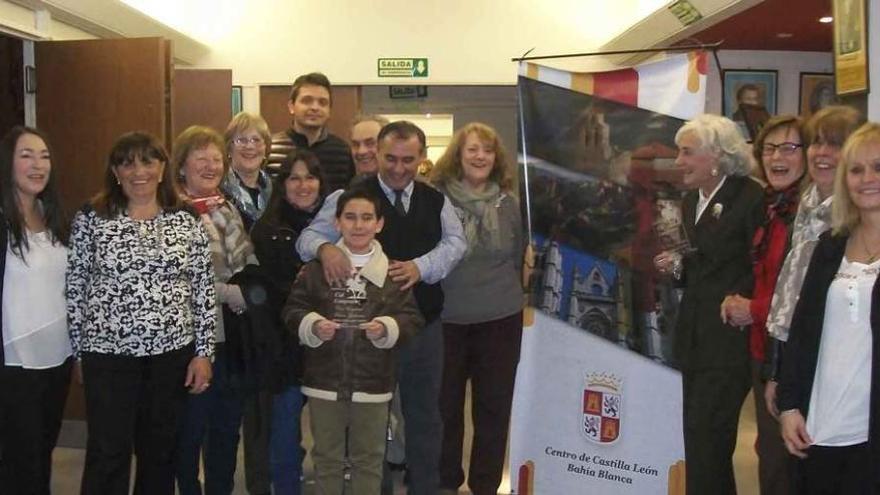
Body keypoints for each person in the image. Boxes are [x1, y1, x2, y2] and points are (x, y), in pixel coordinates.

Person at [297, 120, 466, 495]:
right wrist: (325, 249)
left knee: (425, 417)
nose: (399, 167)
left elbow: (457, 244)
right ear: (377, 154)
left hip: (424, 325)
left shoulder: (436, 200)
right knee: (371, 423)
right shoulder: (351, 195)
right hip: (364, 331)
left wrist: (421, 268)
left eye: (408, 159)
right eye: (390, 158)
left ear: (422, 158)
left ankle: (424, 488)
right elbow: (307, 238)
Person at [67, 131, 214, 495]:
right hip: (108, 357)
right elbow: (75, 288)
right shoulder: (92, 216)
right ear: (115, 171)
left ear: (163, 167)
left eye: (148, 161)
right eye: (127, 162)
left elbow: (203, 288)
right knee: (107, 452)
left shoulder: (185, 219)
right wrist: (78, 353)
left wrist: (204, 352)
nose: (139, 171)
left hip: (170, 357)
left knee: (160, 454)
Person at [285, 187, 423, 495]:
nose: (358, 225)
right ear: (337, 223)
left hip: (373, 383)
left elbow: (412, 319)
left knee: (369, 459)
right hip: (323, 380)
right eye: (350, 217)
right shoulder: (315, 271)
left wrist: (388, 328)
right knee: (328, 458)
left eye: (366, 218)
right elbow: (292, 311)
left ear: (379, 224)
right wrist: (312, 325)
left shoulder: (394, 273)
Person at [653, 114, 764, 494]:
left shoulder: (752, 198)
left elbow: (763, 266)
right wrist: (676, 266)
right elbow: (699, 264)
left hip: (728, 344)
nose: (678, 160)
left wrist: (747, 299)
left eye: (687, 152)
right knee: (697, 442)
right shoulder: (689, 202)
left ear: (716, 155)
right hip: (694, 340)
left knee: (709, 441)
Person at [777, 122, 880, 494]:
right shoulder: (829, 247)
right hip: (819, 426)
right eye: (856, 169)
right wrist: (789, 407)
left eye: (878, 167)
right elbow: (801, 331)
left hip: (869, 434)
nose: (867, 178)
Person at [430, 123, 524, 495]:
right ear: (458, 154)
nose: (480, 156)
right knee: (445, 409)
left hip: (500, 319)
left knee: (493, 410)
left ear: (496, 158)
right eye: (472, 149)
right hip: (447, 320)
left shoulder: (510, 204)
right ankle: (446, 482)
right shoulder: (435, 200)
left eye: (487, 150)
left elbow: (517, 257)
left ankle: (485, 484)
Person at [720, 115, 808, 495]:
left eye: (789, 147)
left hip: (788, 356)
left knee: (783, 465)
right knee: (768, 454)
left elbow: (802, 296)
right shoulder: (773, 207)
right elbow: (765, 276)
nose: (777, 157)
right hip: (762, 348)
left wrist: (752, 309)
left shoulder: (807, 217)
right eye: (769, 148)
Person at [173, 126, 259, 495]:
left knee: (226, 426)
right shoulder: (170, 212)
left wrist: (247, 289)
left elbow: (249, 264)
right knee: (191, 428)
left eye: (215, 158)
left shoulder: (227, 208)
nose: (210, 165)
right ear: (181, 166)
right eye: (200, 157)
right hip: (190, 338)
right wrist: (226, 292)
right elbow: (174, 280)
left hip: (233, 336)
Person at [765, 106, 863, 424]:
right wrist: (777, 373)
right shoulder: (805, 206)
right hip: (797, 355)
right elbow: (789, 297)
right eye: (817, 142)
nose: (822, 152)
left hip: (836, 363)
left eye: (834, 144)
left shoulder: (857, 219)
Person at [249, 149, 327, 495]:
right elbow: (268, 289)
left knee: (331, 433)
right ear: (283, 184)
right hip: (285, 345)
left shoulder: (337, 222)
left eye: (310, 177)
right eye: (294, 177)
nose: (303, 185)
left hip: (329, 345)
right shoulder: (267, 227)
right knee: (284, 431)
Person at [0, 126, 72, 494]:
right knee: (19, 460)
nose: (37, 164)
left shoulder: (55, 216)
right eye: (26, 155)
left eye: (44, 156)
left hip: (58, 356)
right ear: (8, 163)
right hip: (16, 361)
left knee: (43, 452)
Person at [268, 72, 355, 192]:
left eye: (322, 102)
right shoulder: (270, 148)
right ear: (291, 106)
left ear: (329, 110)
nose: (315, 107)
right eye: (307, 101)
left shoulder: (343, 151)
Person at [221, 112, 273, 231]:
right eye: (242, 140)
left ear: (266, 148)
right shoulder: (218, 190)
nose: (250, 146)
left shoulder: (276, 190)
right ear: (229, 148)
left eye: (256, 140)